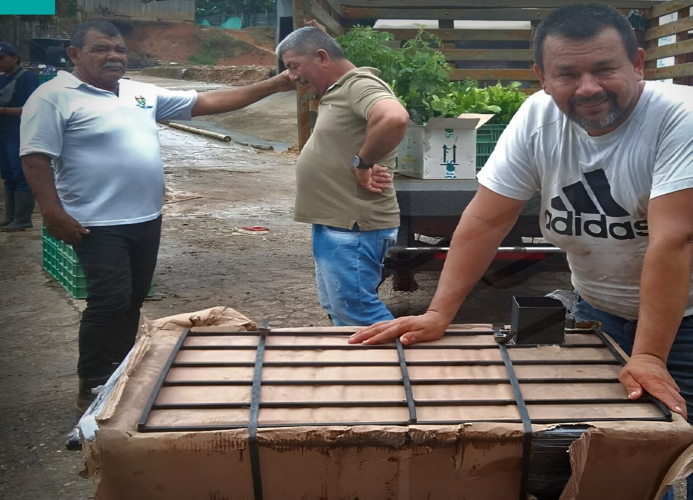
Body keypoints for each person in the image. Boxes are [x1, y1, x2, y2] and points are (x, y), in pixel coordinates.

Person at [349, 4, 693, 500]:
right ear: (543, 78)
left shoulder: (689, 116)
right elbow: (487, 219)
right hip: (602, 310)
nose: (588, 88)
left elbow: (674, 239)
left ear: (638, 64)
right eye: (568, 74)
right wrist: (439, 312)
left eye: (605, 68)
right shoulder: (538, 118)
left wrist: (649, 356)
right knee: (619, 451)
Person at [19, 20, 296, 411]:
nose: (113, 56)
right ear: (74, 55)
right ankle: (93, 383)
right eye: (100, 49)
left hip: (146, 219)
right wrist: (52, 212)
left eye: (119, 49)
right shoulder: (53, 97)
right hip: (95, 223)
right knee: (108, 302)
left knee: (132, 300)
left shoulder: (140, 93)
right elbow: (35, 158)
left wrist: (274, 85)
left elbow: (207, 102)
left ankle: (120, 371)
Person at [276, 26, 409, 326]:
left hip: (353, 227)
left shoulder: (357, 85)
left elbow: (394, 116)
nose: (292, 76)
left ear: (322, 57)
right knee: (340, 310)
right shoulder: (337, 92)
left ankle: (399, 355)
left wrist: (362, 164)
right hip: (336, 224)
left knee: (358, 311)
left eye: (294, 66)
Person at [0, 42, 39, 232]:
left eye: (2, 58)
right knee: (8, 174)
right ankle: (10, 216)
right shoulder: (2, 79)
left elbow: (32, 108)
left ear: (15, 58)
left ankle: (23, 218)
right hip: (4, 133)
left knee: (20, 173)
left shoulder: (28, 78)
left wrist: (4, 110)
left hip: (19, 134)